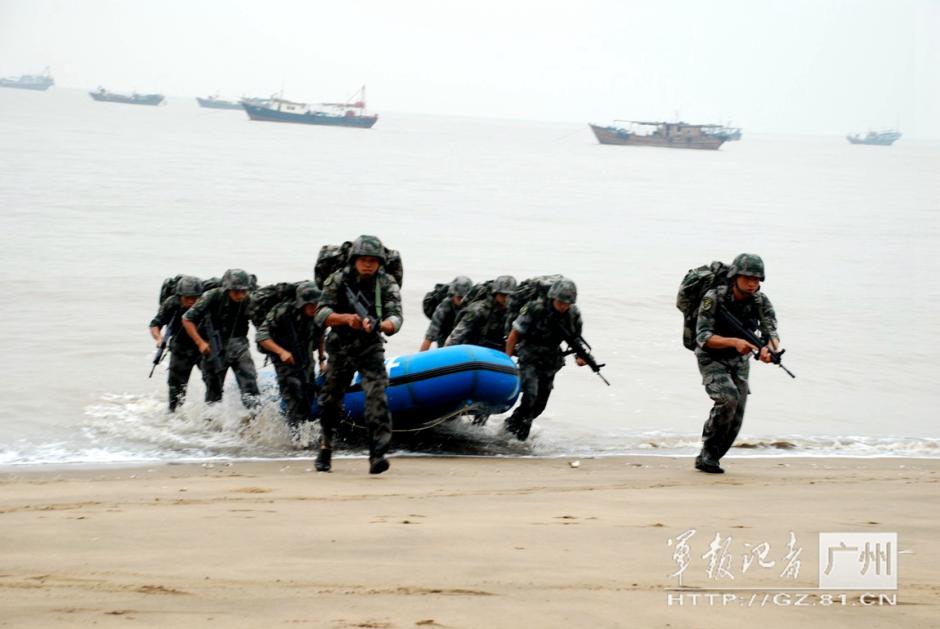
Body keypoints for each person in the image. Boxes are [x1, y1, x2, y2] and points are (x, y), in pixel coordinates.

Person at [314, 235, 403, 474]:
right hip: (340, 345)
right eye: (363, 260)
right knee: (331, 399)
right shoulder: (338, 279)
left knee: (377, 397)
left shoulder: (386, 283)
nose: (367, 264)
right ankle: (325, 446)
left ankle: (378, 454)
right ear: (354, 260)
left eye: (373, 261)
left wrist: (382, 325)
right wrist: (346, 319)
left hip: (370, 346)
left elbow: (396, 316)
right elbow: (321, 313)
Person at [693, 253, 780, 474]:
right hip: (711, 355)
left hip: (739, 360)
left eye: (757, 279)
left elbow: (771, 331)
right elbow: (703, 337)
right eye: (747, 278)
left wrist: (769, 349)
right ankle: (707, 454)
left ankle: (711, 457)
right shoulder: (713, 298)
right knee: (727, 399)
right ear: (735, 276)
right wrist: (734, 341)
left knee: (737, 415)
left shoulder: (760, 301)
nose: (752, 283)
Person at [503, 277, 586, 441]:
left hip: (550, 361)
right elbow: (514, 335)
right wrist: (507, 361)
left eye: (567, 303)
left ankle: (511, 424)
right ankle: (520, 438)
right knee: (530, 396)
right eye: (560, 302)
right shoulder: (535, 308)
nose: (563, 306)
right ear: (553, 297)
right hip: (529, 356)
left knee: (540, 405)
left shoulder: (573, 314)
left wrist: (580, 358)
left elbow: (576, 339)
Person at [181, 268, 260, 409]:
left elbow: (259, 323)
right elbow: (187, 319)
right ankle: (211, 426)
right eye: (236, 291)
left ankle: (253, 420)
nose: (241, 295)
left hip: (239, 345)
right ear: (227, 289)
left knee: (250, 384)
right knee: (213, 393)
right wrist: (200, 343)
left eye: (244, 291)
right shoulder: (212, 296)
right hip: (214, 347)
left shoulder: (249, 300)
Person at [256, 282, 326, 435]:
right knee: (293, 390)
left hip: (304, 353)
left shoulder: (318, 314)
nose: (314, 308)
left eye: (316, 304)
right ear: (302, 303)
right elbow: (261, 336)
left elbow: (320, 335)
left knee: (308, 391)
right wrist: (281, 352)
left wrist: (322, 360)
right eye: (311, 305)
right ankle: (294, 437)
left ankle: (304, 431)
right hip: (282, 353)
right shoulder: (282, 312)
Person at [148, 275, 205, 412]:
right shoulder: (171, 303)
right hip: (181, 347)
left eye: (195, 298)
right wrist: (159, 339)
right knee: (176, 391)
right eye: (187, 298)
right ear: (180, 296)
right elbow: (155, 324)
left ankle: (212, 415)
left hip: (203, 346)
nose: (192, 302)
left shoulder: (206, 303)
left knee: (214, 381)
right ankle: (174, 419)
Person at [445, 275, 517, 349]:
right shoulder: (478, 310)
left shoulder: (510, 312)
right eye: (503, 295)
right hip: (471, 350)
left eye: (509, 296)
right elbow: (456, 336)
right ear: (495, 294)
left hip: (493, 352)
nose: (506, 299)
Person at [419, 275, 473, 351]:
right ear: (453, 295)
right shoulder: (444, 307)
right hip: (445, 336)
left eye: (465, 298)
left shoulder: (473, 306)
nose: (462, 301)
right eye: (459, 298)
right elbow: (430, 336)